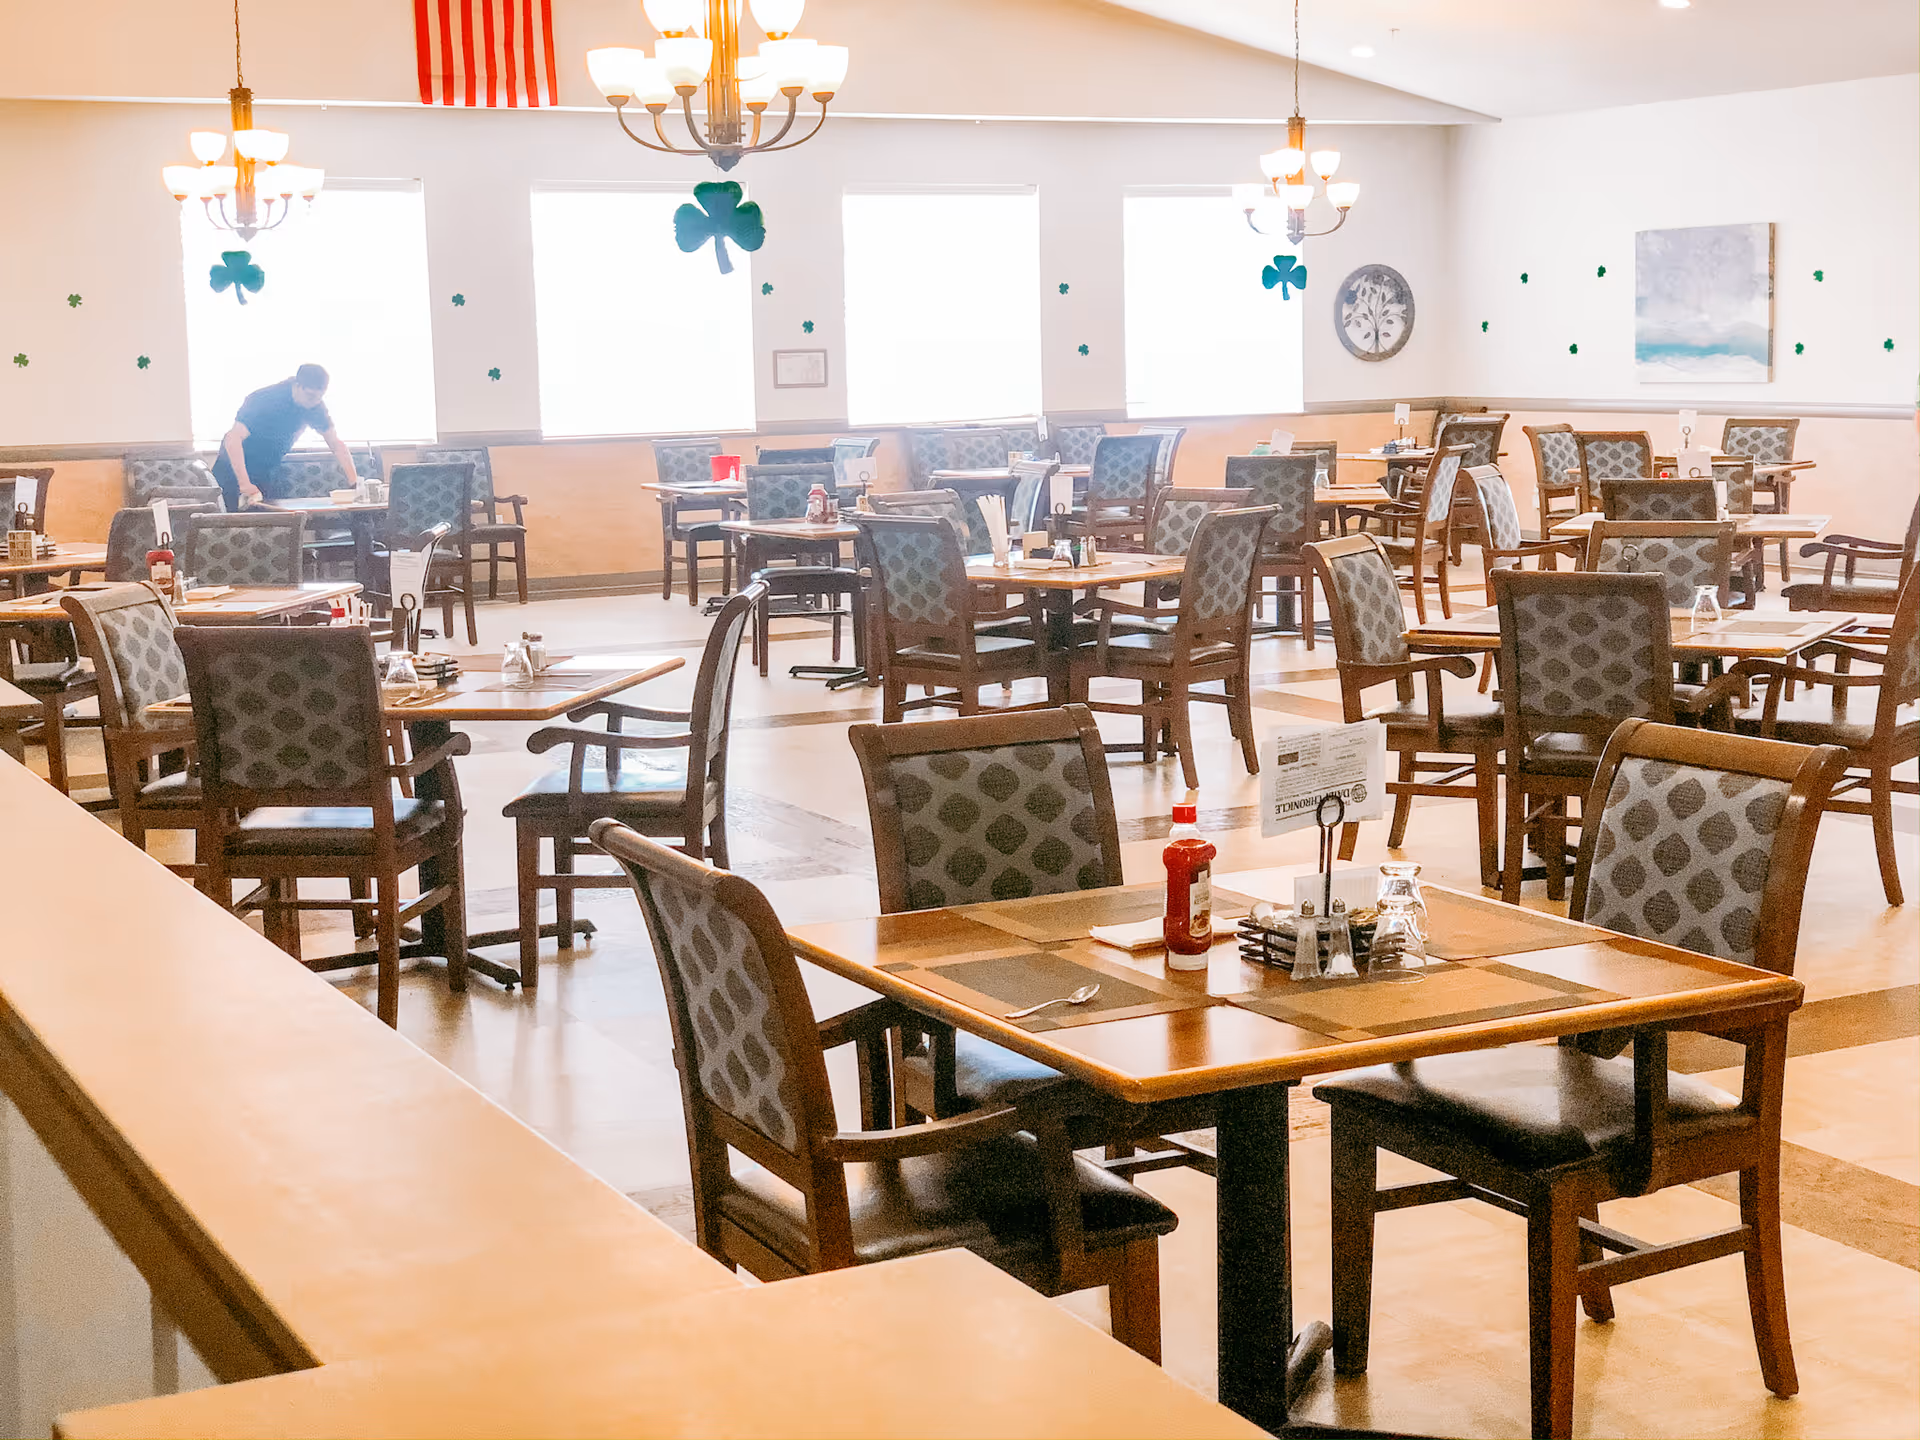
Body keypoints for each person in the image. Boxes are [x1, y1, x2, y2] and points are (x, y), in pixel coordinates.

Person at [210, 363, 358, 511]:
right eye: (311, 396)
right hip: (233, 470)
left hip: (267, 469)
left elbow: (336, 445)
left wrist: (354, 483)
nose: (315, 402)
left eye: (320, 397)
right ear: (298, 385)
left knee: (273, 525)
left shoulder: (315, 406)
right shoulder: (264, 399)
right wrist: (244, 484)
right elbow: (233, 439)